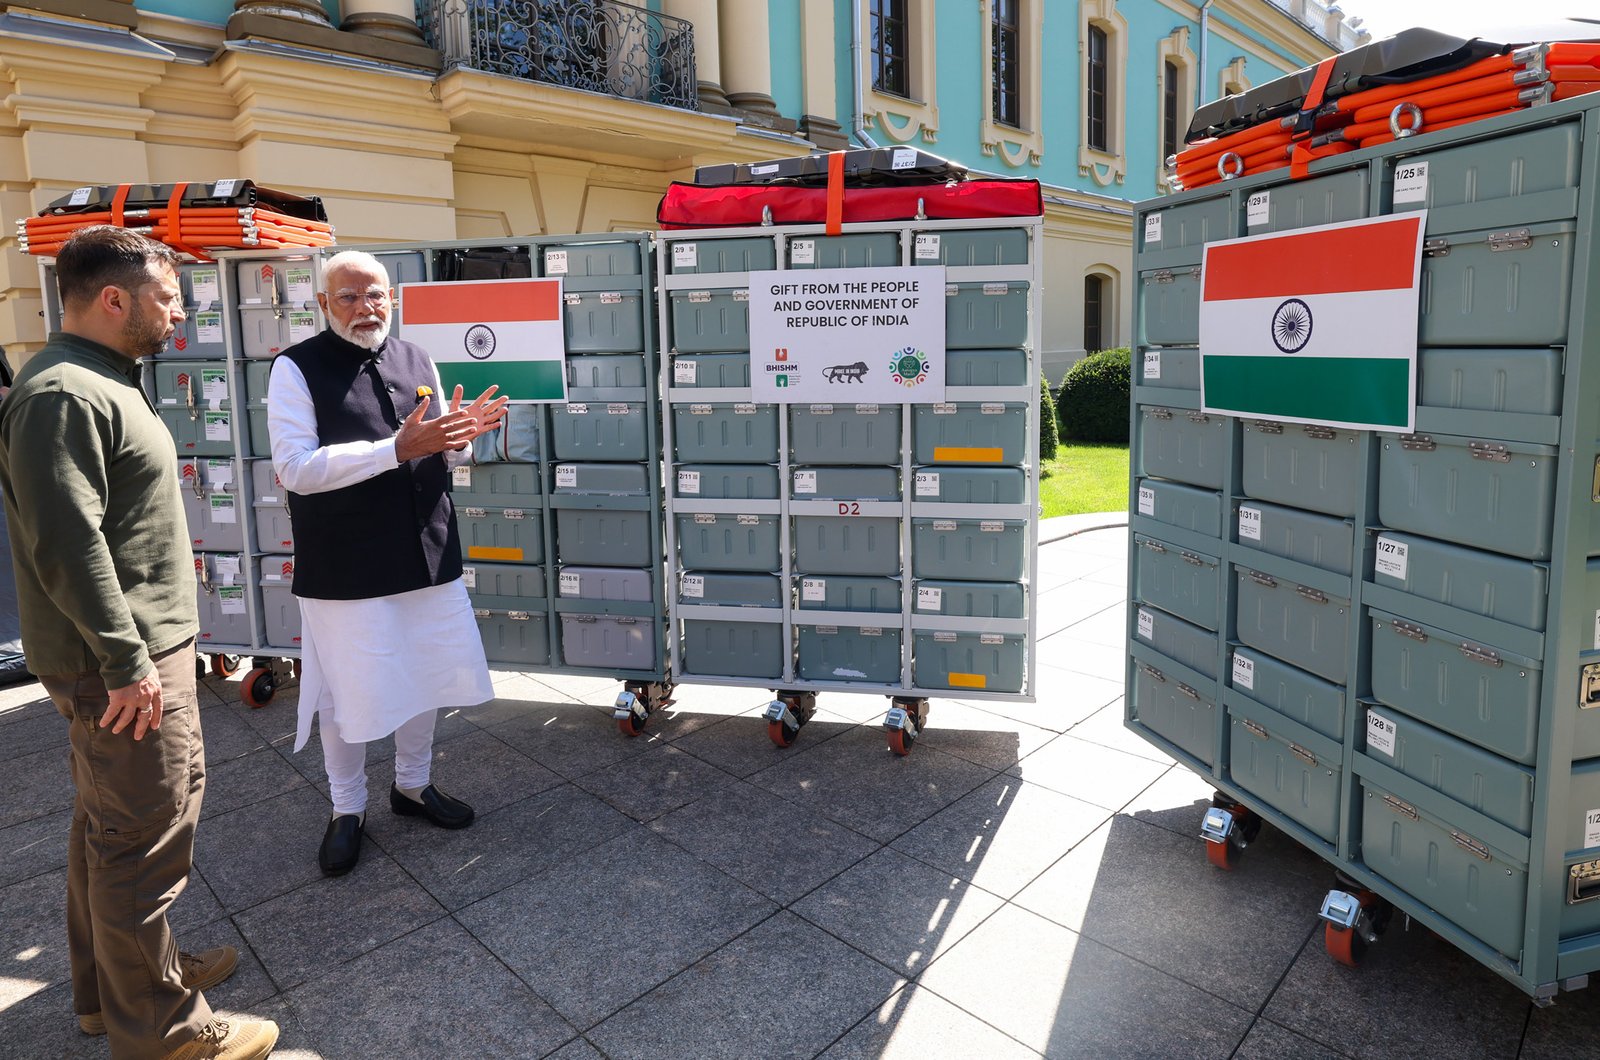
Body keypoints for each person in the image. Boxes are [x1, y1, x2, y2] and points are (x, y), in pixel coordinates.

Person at [0, 226, 278, 1059]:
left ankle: (112, 990)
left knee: (110, 826)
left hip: (126, 653)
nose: (180, 309)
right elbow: (67, 542)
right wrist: (126, 664)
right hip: (116, 663)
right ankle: (163, 1029)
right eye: (166, 294)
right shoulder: (64, 395)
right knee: (141, 839)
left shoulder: (101, 378)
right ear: (113, 299)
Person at [269, 250, 508, 877]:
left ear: (391, 298)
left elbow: (437, 456)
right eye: (347, 297)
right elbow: (294, 469)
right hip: (346, 559)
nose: (364, 307)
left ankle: (412, 785)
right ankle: (346, 809)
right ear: (323, 304)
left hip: (425, 547)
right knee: (345, 690)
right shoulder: (295, 368)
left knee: (426, 670)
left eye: (374, 295)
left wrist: (457, 442)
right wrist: (395, 449)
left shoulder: (415, 357)